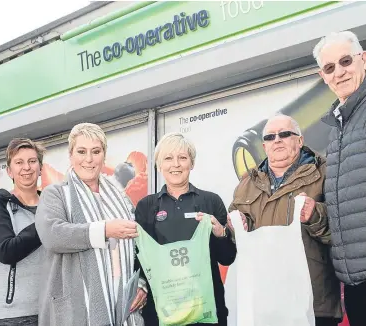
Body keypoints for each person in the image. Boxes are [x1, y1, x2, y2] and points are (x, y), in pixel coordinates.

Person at [228, 115, 342, 326]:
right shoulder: (246, 183)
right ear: (264, 146)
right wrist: (236, 226)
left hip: (312, 303)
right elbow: (235, 233)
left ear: (299, 140)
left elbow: (344, 229)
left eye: (285, 134)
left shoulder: (326, 172)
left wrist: (315, 214)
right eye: (270, 137)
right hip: (264, 303)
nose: (277, 140)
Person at [35, 123, 145, 326]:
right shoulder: (57, 193)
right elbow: (52, 235)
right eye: (81, 151)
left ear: (104, 156)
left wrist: (140, 284)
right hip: (78, 306)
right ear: (71, 156)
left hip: (121, 300)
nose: (89, 159)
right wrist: (104, 230)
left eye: (96, 151)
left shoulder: (121, 199)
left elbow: (139, 248)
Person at [135, 132, 237, 326]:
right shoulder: (146, 207)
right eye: (168, 158)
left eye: (182, 158)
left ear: (192, 163)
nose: (176, 164)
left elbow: (227, 258)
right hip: (162, 312)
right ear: (159, 165)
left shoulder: (211, 201)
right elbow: (139, 261)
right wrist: (139, 287)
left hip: (206, 310)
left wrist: (222, 234)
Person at [313, 30, 366, 326]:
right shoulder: (337, 131)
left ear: (363, 60)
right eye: (330, 67)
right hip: (355, 281)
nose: (339, 72)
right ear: (323, 76)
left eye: (346, 61)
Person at [0, 138, 45, 326]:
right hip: (9, 316)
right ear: (9, 171)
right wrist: (47, 223)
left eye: (32, 161)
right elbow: (6, 250)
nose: (26, 167)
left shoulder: (52, 204)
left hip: (49, 310)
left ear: (40, 167)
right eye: (19, 162)